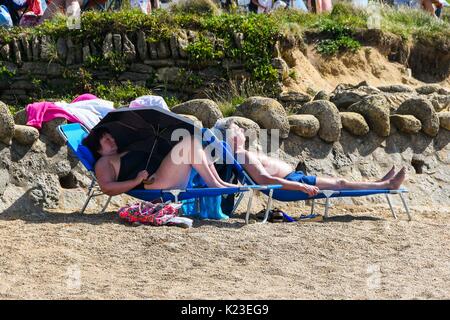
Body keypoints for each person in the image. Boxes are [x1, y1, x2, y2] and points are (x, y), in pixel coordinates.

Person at [213, 119, 406, 197]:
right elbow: (265, 180)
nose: (242, 130)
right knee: (340, 183)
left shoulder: (238, 155)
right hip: (289, 184)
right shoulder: (242, 155)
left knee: (340, 182)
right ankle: (386, 185)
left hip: (292, 180)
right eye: (237, 129)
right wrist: (300, 186)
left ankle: (381, 183)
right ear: (231, 136)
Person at [82, 127, 237, 196]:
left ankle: (218, 182)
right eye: (106, 139)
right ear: (98, 148)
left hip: (161, 176)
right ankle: (214, 184)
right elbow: (107, 188)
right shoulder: (103, 163)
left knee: (194, 141)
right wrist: (135, 181)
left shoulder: (122, 152)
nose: (112, 139)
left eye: (111, 137)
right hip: (153, 183)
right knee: (189, 141)